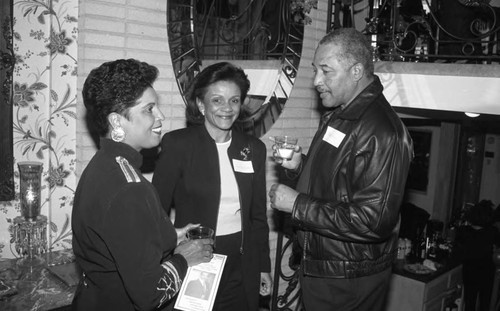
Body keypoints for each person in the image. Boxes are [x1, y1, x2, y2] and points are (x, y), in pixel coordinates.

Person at [268, 28, 414, 311]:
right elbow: (337, 184)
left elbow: (373, 221)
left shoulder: (383, 131)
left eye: (326, 71)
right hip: (326, 270)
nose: (316, 81)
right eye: (315, 71)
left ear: (357, 70)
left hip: (347, 281)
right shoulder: (340, 114)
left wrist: (297, 204)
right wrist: (300, 166)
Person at [72, 59, 214, 311]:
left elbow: (122, 240)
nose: (160, 116)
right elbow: (151, 294)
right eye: (149, 109)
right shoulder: (128, 188)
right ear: (116, 121)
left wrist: (172, 234)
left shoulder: (105, 164)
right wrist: (184, 258)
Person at [152, 62, 272, 311]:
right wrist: (165, 259)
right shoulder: (178, 145)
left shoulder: (253, 149)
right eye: (217, 100)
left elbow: (257, 217)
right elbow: (156, 212)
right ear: (201, 104)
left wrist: (263, 267)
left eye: (234, 100)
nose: (227, 109)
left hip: (243, 259)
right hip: (196, 256)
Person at [455, 199, 500, 311]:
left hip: (469, 271)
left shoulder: (463, 231)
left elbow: (458, 248)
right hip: (487, 272)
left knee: (470, 301)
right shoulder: (492, 232)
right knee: (485, 302)